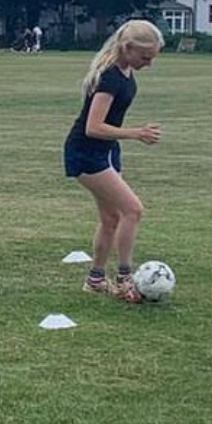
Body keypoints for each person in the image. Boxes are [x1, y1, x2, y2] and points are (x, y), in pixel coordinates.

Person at [63, 19, 164, 302]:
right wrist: (137, 133)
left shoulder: (125, 70)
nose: (149, 64)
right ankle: (124, 279)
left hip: (104, 151)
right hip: (86, 152)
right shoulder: (109, 77)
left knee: (111, 218)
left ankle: (96, 280)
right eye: (145, 57)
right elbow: (93, 127)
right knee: (133, 210)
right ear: (127, 48)